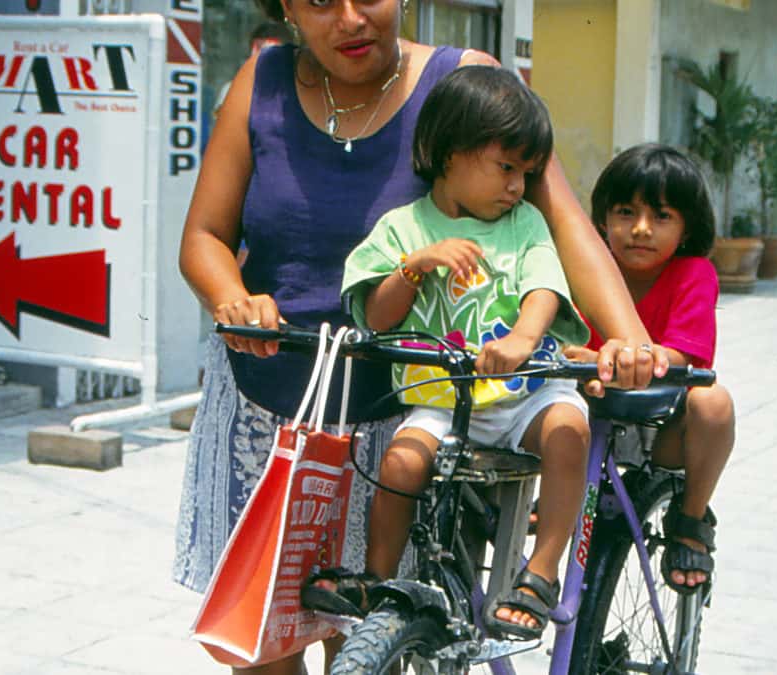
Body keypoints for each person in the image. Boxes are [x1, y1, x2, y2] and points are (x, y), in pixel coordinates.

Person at [174, 0, 668, 670]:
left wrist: (630, 339)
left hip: (407, 415)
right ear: (285, 5)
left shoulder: (464, 83)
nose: (351, 18)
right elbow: (204, 235)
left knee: (383, 644)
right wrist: (232, 297)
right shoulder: (258, 83)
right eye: (321, 1)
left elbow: (563, 225)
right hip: (269, 410)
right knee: (261, 646)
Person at [321, 65, 589, 640]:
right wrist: (414, 267)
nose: (518, 186)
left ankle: (540, 572)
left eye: (528, 173)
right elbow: (375, 316)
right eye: (506, 168)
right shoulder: (403, 227)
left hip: (525, 394)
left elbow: (544, 287)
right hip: (444, 400)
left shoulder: (524, 224)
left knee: (569, 429)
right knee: (399, 462)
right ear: (449, 154)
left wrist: (521, 339)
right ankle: (378, 578)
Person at [578, 143, 736, 594]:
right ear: (603, 218)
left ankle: (690, 519)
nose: (641, 229)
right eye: (626, 212)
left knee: (714, 402)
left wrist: (606, 357)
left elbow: (683, 356)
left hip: (664, 422)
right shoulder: (588, 270)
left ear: (687, 227)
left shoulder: (694, 273)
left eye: (662, 216)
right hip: (587, 416)